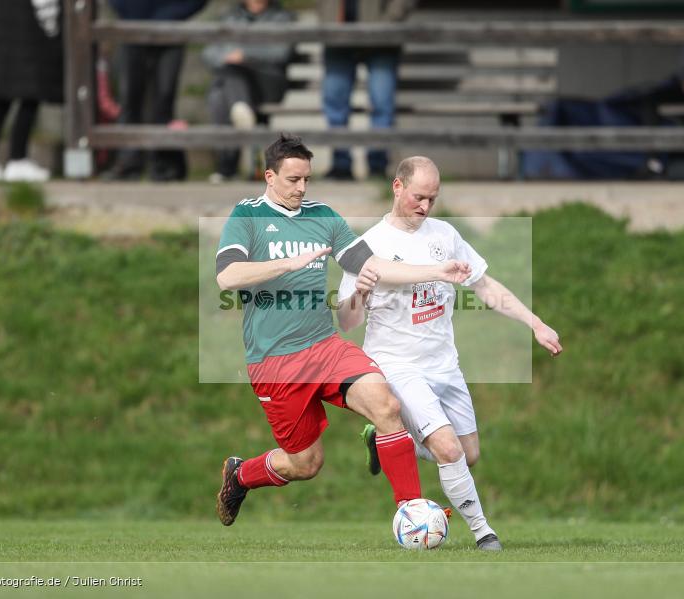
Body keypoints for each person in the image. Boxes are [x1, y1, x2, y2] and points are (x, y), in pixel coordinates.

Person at [215, 134, 473, 526]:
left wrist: (436, 271)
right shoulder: (247, 216)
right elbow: (228, 276)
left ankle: (412, 511)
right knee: (306, 463)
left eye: (307, 179)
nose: (302, 188)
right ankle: (241, 475)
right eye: (293, 179)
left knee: (386, 405)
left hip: (324, 347)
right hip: (275, 361)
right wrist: (288, 264)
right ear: (269, 176)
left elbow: (373, 266)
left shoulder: (323, 217)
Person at [336, 156, 563, 551]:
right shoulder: (368, 246)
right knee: (448, 449)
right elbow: (347, 321)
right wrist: (360, 292)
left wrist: (535, 323)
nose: (425, 207)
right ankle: (484, 532)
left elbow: (485, 286)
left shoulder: (445, 235)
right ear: (397, 187)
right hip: (397, 365)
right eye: (418, 198)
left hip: (444, 365)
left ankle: (388, 438)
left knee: (468, 454)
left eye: (432, 199)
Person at [104, 0, 208, 181]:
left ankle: (162, 163)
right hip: (132, 31)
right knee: (130, 99)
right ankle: (128, 162)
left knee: (164, 100)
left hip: (170, 32)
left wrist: (173, 15)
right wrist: (129, 14)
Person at [318, 0, 417, 180]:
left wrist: (388, 21)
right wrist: (326, 19)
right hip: (336, 35)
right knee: (335, 105)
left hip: (382, 39)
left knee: (382, 104)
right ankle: (341, 165)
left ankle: (377, 166)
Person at [0, 0, 63, 182]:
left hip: (3, 28)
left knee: (1, 98)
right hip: (29, 30)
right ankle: (18, 158)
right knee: (30, 96)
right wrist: (52, 26)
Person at [203, 0, 295, 182]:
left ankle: (226, 167)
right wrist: (226, 57)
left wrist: (245, 55)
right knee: (219, 95)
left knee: (223, 91)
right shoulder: (229, 16)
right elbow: (209, 52)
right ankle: (241, 110)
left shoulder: (282, 18)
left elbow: (280, 52)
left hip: (266, 83)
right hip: (235, 79)